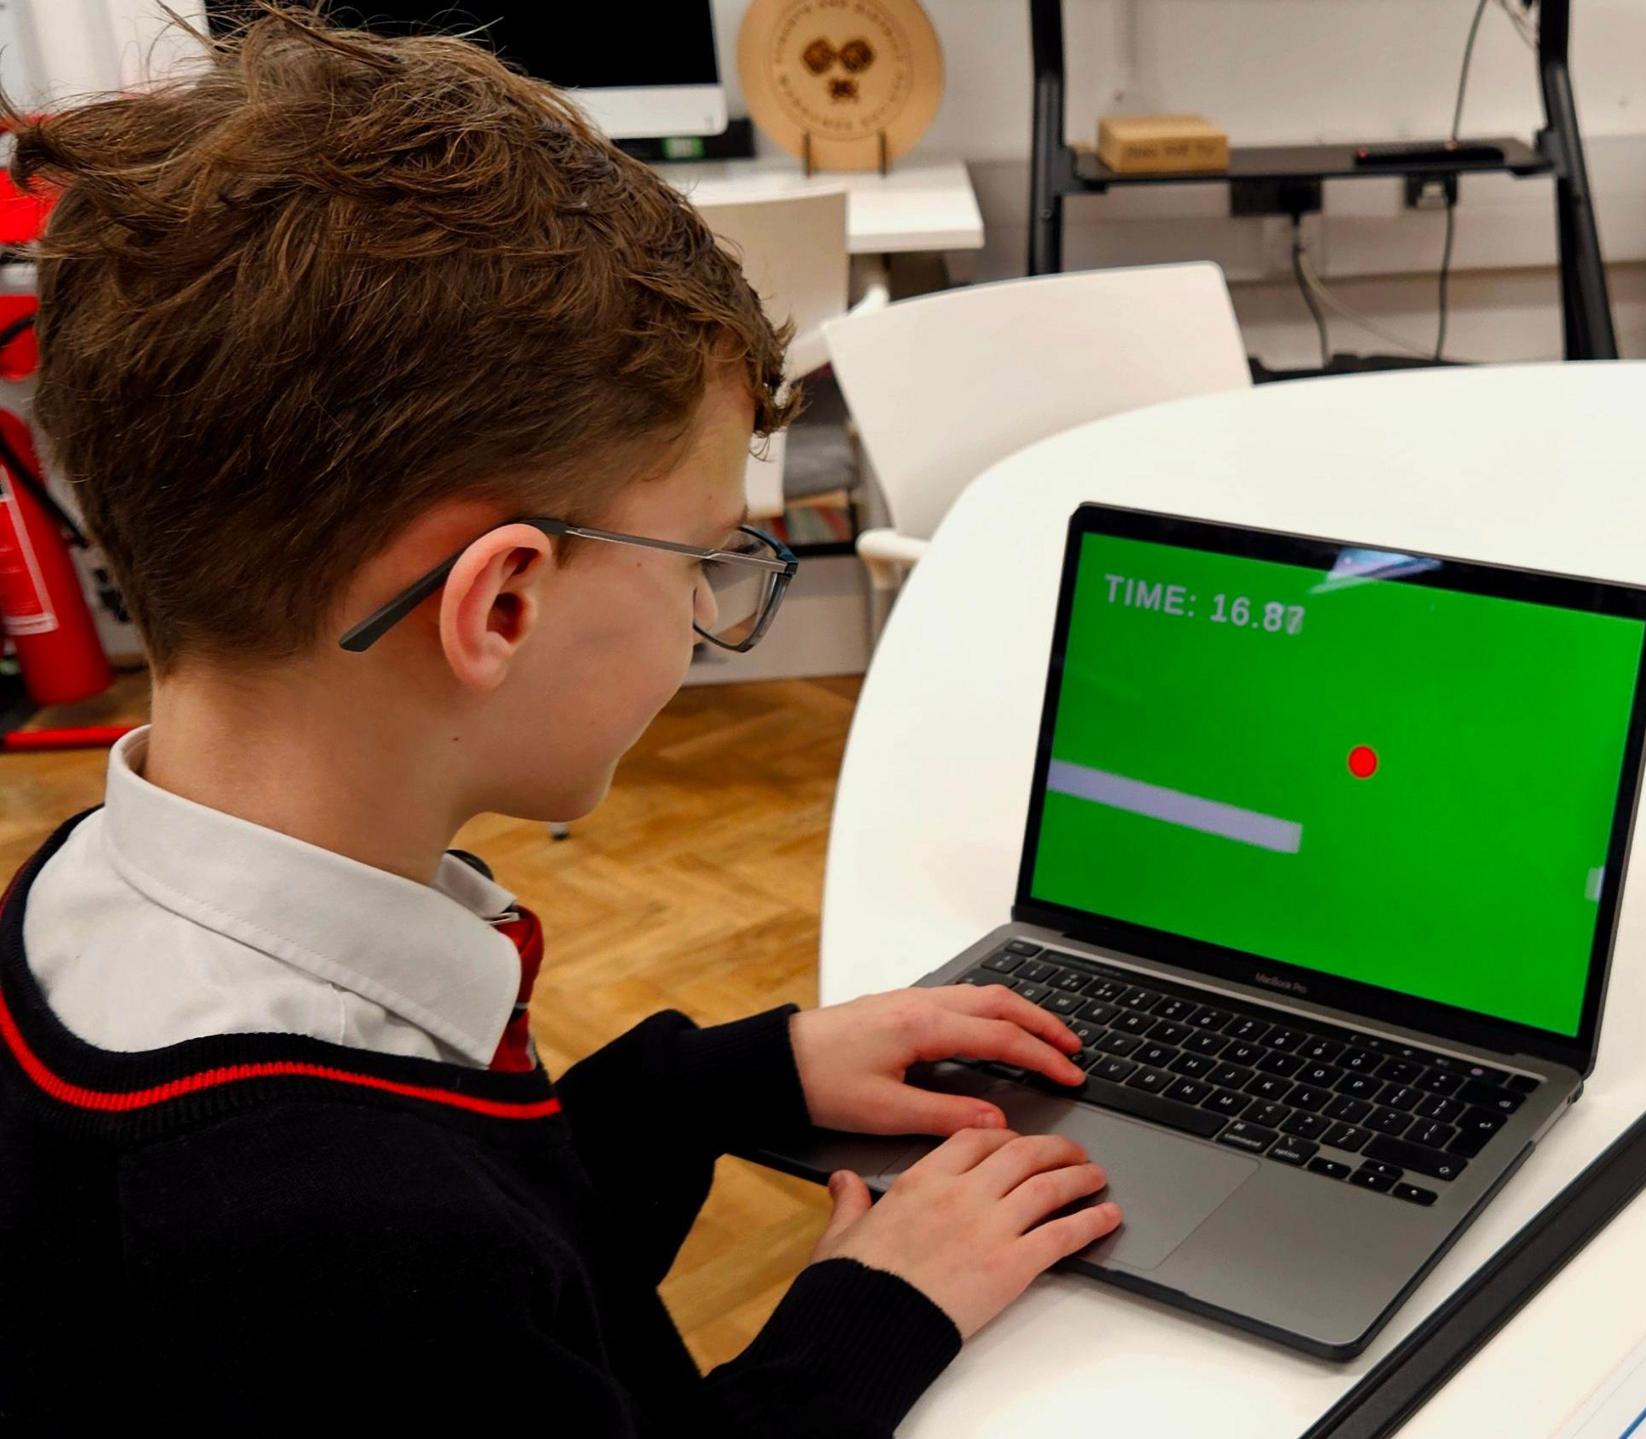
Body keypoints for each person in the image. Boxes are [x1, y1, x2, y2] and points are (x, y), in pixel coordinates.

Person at [0, 10, 1119, 1434]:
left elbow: (507, 1266)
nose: (711, 613)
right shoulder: (328, 1227)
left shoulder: (80, 912)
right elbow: (449, 1284)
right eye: (708, 560)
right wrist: (868, 1316)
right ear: (502, 606)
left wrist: (722, 1082)